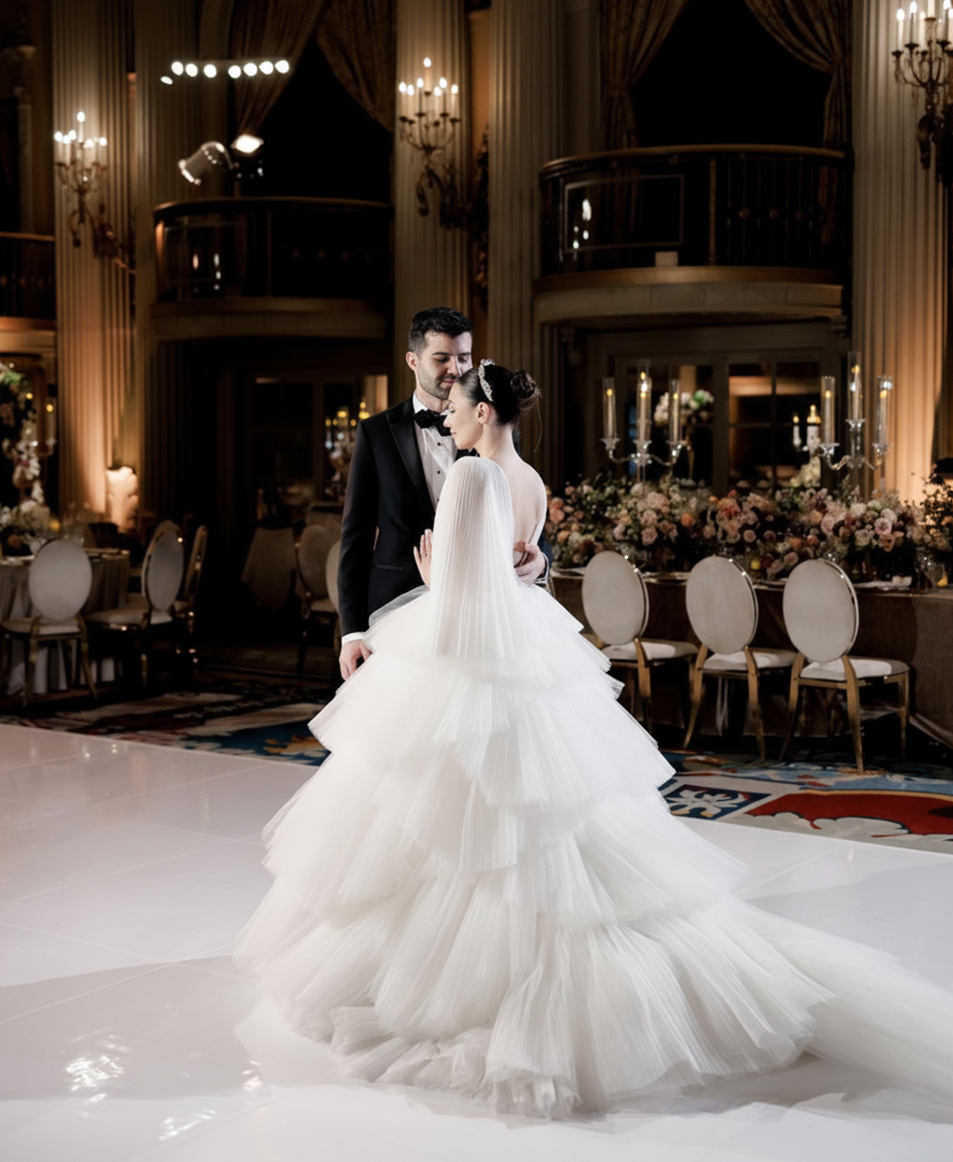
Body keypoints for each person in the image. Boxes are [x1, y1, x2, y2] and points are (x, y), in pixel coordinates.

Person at [238, 456, 953, 1120]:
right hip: (503, 631)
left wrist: (438, 582)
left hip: (458, 636)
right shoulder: (517, 520)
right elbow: (495, 582)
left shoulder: (469, 484)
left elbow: (461, 597)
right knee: (538, 818)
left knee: (434, 818)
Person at [337, 307, 545, 680]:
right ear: (413, 360)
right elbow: (355, 537)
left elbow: (516, 520)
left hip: (478, 625)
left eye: (464, 357)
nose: (455, 368)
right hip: (394, 616)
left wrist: (541, 564)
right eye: (442, 358)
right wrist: (352, 632)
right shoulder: (377, 434)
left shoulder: (492, 431)